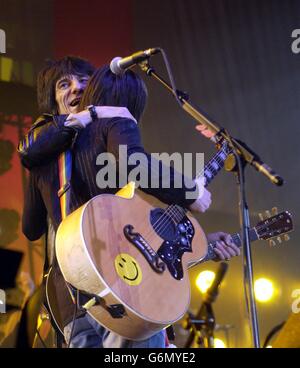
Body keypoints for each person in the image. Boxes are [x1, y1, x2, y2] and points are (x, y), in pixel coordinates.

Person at [18, 56, 240, 348]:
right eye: (64, 84)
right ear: (52, 99)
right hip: (129, 290)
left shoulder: (40, 157)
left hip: (70, 297)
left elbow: (31, 228)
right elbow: (137, 167)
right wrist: (190, 192)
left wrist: (202, 246)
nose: (77, 89)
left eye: (84, 81)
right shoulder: (112, 122)